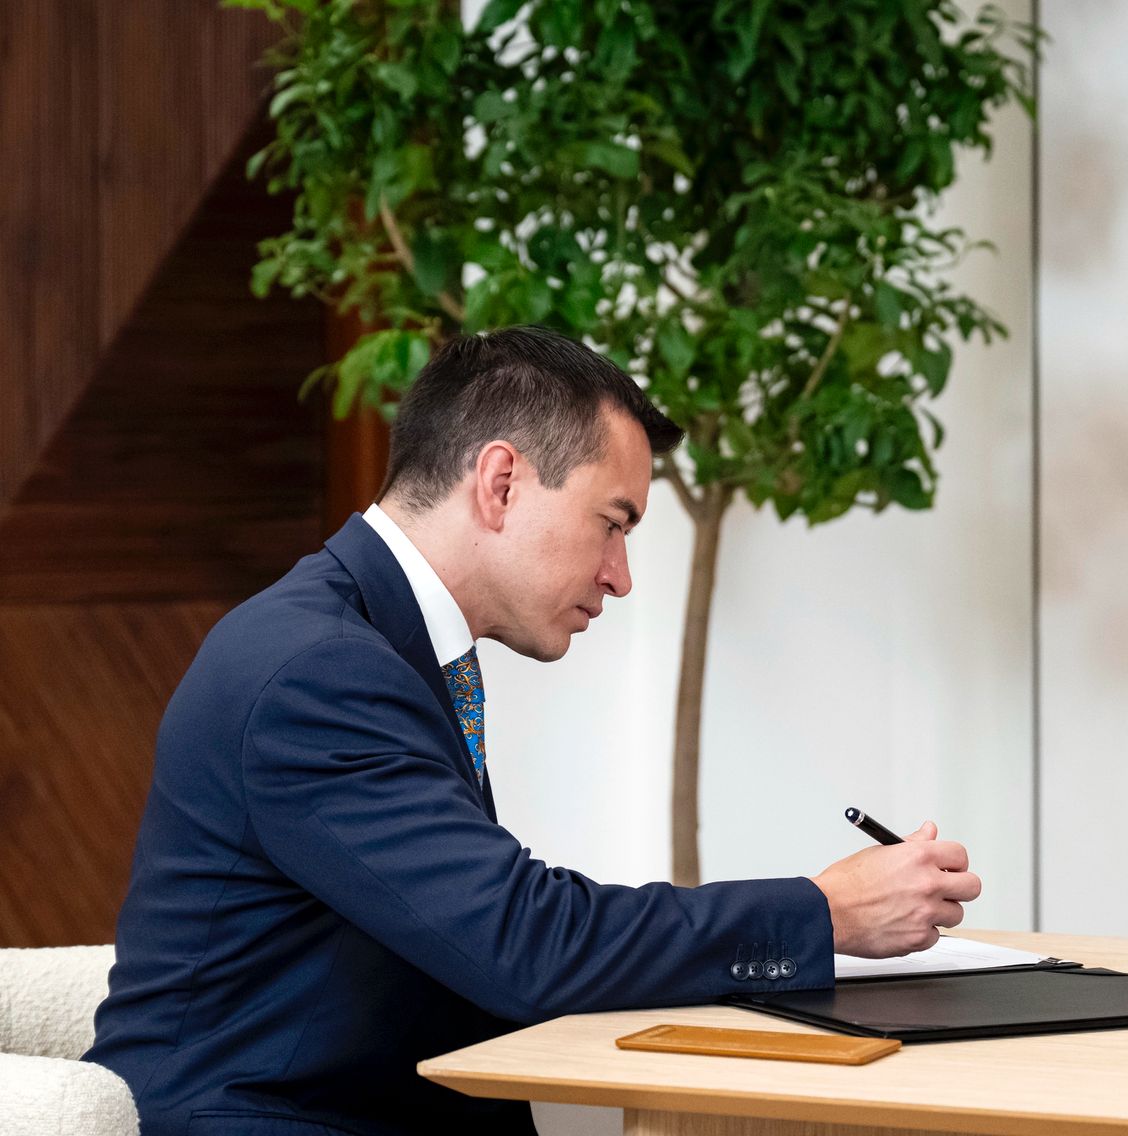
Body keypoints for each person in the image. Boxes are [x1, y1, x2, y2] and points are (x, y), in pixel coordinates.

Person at [85, 326, 980, 1136]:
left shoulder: (377, 642)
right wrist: (823, 913)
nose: (621, 575)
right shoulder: (317, 670)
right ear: (501, 482)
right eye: (612, 524)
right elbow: (520, 942)